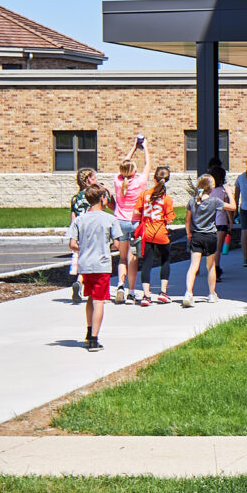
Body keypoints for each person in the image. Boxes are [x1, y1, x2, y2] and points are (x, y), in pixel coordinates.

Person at [67, 186, 116, 350]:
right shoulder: (110, 220)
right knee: (99, 301)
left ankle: (88, 331)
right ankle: (94, 338)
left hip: (85, 265)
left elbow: (72, 244)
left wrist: (84, 248)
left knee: (90, 297)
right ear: (102, 198)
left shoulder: (79, 220)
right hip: (101, 264)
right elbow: (116, 244)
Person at [109, 138, 150, 298]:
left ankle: (120, 285)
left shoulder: (118, 181)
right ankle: (132, 291)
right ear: (133, 171)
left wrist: (133, 146)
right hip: (134, 222)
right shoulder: (139, 182)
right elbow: (148, 165)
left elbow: (124, 163)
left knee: (122, 258)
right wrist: (144, 147)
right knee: (132, 259)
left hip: (119, 222)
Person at [130, 165, 177, 305]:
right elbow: (169, 218)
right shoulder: (166, 198)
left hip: (147, 233)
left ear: (154, 178)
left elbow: (137, 212)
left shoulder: (144, 194)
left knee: (147, 263)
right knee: (165, 260)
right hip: (161, 233)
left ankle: (146, 295)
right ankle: (163, 292)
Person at [182, 171, 226, 305]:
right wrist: (229, 192)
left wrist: (189, 233)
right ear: (212, 187)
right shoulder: (215, 201)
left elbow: (187, 220)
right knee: (211, 266)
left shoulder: (192, 201)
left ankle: (188, 293)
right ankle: (212, 294)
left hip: (196, 235)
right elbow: (233, 207)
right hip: (210, 235)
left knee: (193, 266)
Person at [66, 170, 101, 305]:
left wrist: (72, 233)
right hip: (91, 230)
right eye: (94, 178)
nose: (96, 180)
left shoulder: (75, 198)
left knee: (81, 257)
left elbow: (73, 217)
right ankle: (81, 283)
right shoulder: (92, 195)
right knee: (91, 259)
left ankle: (78, 281)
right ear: (88, 180)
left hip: (79, 230)